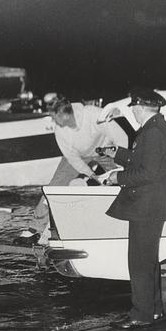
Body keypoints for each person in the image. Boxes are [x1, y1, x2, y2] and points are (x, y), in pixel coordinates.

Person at [101, 88, 166, 329]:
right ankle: (153, 310)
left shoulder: (153, 132)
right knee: (148, 260)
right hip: (152, 204)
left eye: (133, 107)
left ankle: (140, 315)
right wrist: (119, 154)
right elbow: (144, 161)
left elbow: (148, 172)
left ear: (141, 107)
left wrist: (117, 178)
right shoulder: (158, 129)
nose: (132, 111)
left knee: (139, 262)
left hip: (146, 205)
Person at [24, 96, 128, 244]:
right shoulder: (60, 131)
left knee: (126, 180)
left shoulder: (93, 114)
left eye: (54, 117)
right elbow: (73, 158)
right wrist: (92, 174)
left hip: (104, 150)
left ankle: (125, 220)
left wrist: (121, 164)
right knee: (55, 186)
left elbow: (121, 138)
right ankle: (34, 229)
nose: (54, 121)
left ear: (64, 115)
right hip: (79, 155)